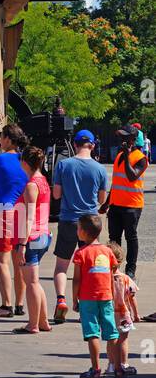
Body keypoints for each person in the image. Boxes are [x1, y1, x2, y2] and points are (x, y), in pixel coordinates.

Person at [51, 130, 109, 323]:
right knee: (91, 266)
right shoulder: (100, 169)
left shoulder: (63, 165)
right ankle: (89, 304)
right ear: (92, 146)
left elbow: (57, 195)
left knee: (62, 266)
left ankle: (61, 300)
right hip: (90, 221)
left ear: (75, 145)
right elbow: (101, 199)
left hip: (68, 219)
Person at [0, 123, 28, 318]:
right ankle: (20, 304)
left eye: (2, 137)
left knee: (1, 261)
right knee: (19, 259)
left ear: (8, 139)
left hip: (2, 210)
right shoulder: (26, 161)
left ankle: (6, 305)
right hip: (22, 211)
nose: (0, 141)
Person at [71, 213, 118, 378]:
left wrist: (74, 298)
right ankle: (118, 368)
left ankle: (96, 369)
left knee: (92, 334)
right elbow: (112, 275)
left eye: (78, 228)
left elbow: (77, 279)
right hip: (106, 297)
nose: (77, 231)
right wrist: (113, 295)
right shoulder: (107, 251)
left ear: (83, 232)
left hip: (87, 298)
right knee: (112, 333)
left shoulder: (80, 253)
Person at [14, 145, 52, 334]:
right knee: (35, 282)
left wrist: (21, 244)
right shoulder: (43, 181)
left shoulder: (31, 185)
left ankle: (33, 324)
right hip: (44, 234)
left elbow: (29, 217)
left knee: (32, 284)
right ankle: (43, 321)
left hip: (32, 237)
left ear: (25, 162)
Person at [107, 125, 147, 280]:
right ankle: (114, 268)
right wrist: (107, 203)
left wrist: (126, 155)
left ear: (132, 139)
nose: (121, 139)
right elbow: (116, 181)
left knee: (131, 237)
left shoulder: (140, 158)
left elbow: (132, 176)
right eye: (120, 136)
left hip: (132, 206)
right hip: (116, 204)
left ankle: (131, 270)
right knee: (114, 238)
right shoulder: (119, 155)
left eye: (124, 137)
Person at [106, 241, 139, 378]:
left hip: (108, 314)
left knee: (111, 339)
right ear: (121, 261)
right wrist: (136, 314)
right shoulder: (125, 279)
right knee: (123, 340)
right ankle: (124, 364)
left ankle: (112, 364)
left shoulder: (104, 279)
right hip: (123, 315)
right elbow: (132, 298)